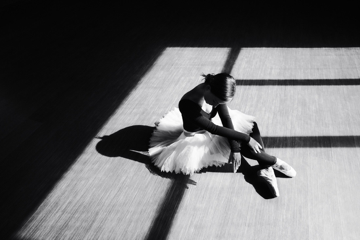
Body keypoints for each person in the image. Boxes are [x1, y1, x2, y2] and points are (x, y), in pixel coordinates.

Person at [148, 73, 296, 196]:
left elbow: (225, 118)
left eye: (219, 103)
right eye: (214, 101)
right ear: (207, 88)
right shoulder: (187, 104)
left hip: (213, 127)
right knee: (241, 140)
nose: (215, 105)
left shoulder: (216, 91)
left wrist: (235, 148)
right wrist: (246, 139)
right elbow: (214, 129)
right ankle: (271, 162)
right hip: (198, 136)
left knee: (250, 127)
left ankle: (265, 166)